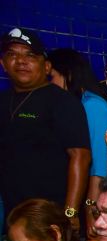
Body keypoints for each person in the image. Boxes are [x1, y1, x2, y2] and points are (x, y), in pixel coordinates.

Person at [0, 28, 90, 227]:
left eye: (30, 55)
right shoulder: (3, 101)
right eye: (12, 54)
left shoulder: (62, 101)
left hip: (51, 217)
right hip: (12, 215)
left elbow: (81, 157)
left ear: (47, 66)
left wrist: (70, 213)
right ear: (3, 64)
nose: (21, 61)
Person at [47, 48, 107, 241]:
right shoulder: (71, 106)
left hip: (97, 199)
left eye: (51, 77)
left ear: (68, 74)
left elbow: (99, 166)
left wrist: (89, 209)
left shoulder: (93, 106)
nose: (48, 83)